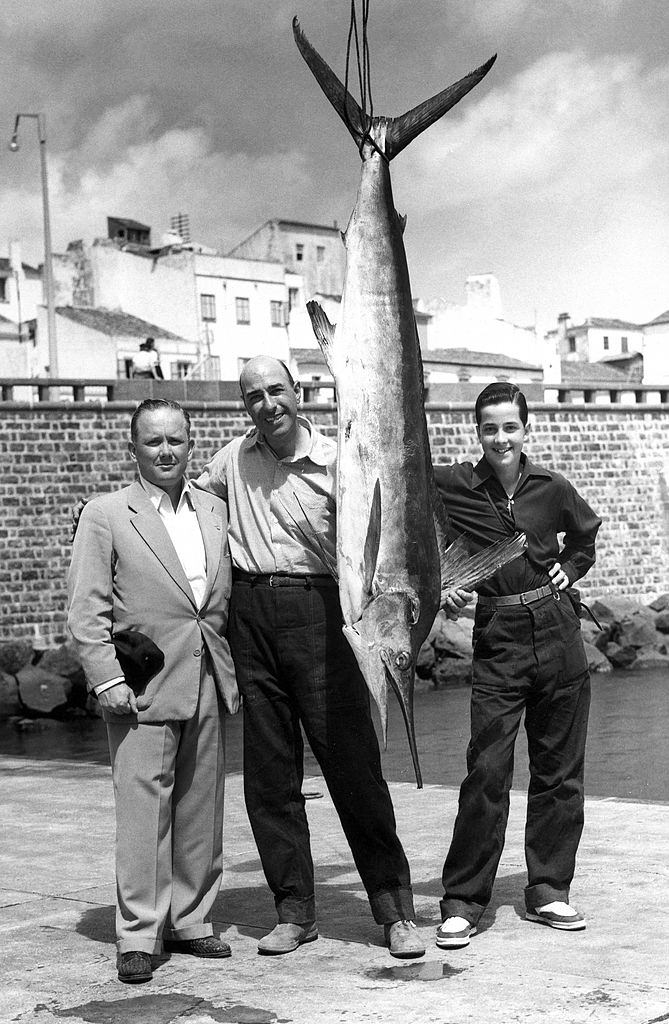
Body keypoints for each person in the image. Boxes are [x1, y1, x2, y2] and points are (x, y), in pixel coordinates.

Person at [195, 355, 425, 959]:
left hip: (322, 614)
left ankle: (394, 911)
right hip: (251, 615)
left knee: (354, 770)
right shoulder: (230, 460)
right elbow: (185, 509)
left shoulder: (336, 464)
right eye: (252, 397)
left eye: (276, 391)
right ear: (242, 405)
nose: (266, 405)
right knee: (270, 779)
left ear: (298, 392)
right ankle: (294, 911)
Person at [68, 398, 238, 983]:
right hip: (140, 683)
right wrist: (105, 678)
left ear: (192, 443)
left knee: (200, 805)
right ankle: (139, 931)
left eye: (176, 440)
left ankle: (190, 919)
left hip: (207, 676)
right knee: (143, 812)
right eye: (153, 442)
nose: (166, 452)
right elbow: (86, 608)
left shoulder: (214, 511)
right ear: (133, 448)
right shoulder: (106, 514)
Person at [432, 381, 602, 949]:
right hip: (498, 636)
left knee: (559, 771)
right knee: (487, 770)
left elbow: (585, 534)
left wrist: (571, 569)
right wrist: (443, 582)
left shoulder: (551, 488)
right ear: (476, 433)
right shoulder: (455, 484)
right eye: (489, 427)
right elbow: (413, 515)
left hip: (557, 632)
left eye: (510, 426)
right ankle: (462, 899)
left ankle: (549, 888)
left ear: (525, 430)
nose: (500, 437)